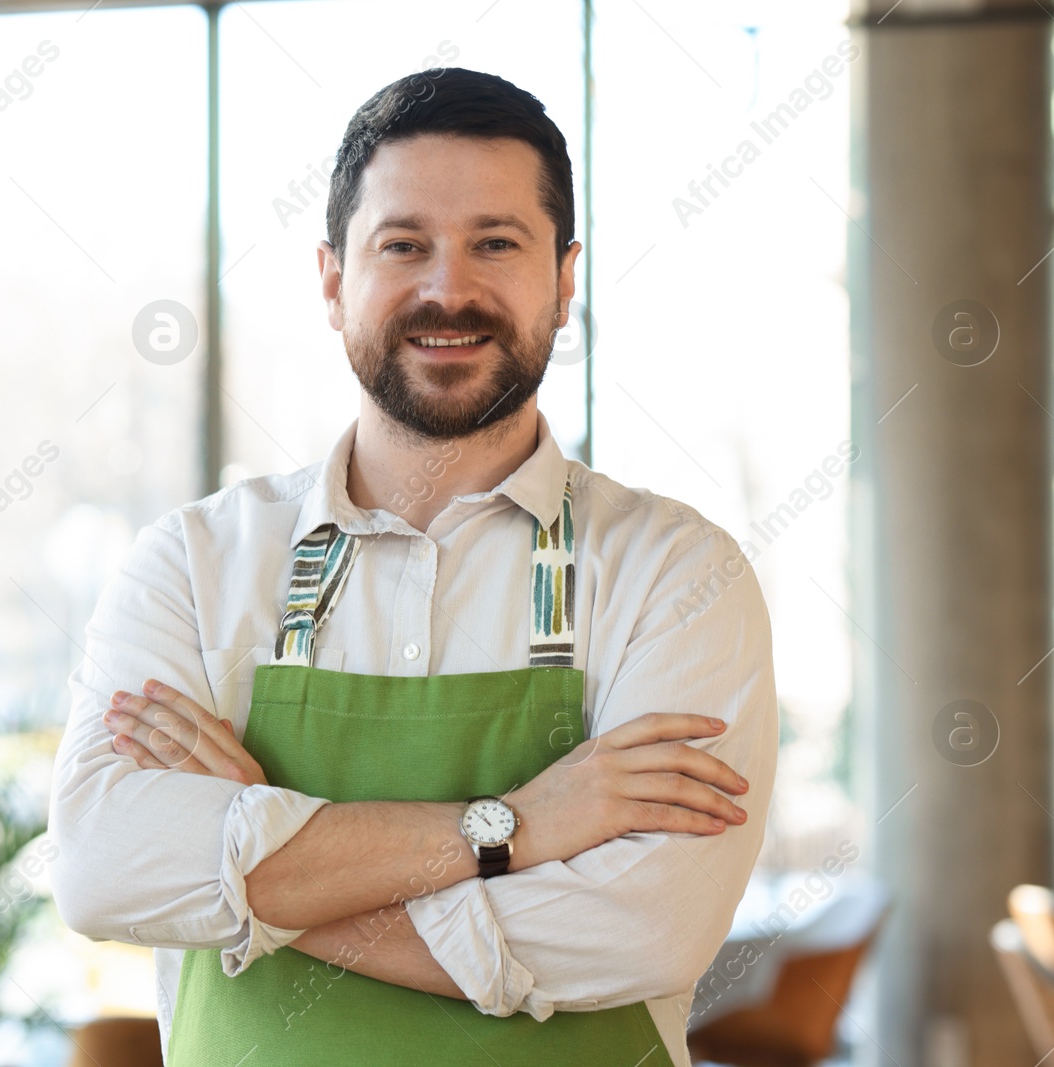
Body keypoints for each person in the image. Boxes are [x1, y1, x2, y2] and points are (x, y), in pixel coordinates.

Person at [50, 67, 777, 1067]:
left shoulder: (675, 572)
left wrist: (261, 884)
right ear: (331, 277)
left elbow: (641, 930)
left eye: (495, 243)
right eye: (403, 245)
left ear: (565, 279)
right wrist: (516, 826)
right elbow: (103, 870)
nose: (448, 288)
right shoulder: (192, 563)